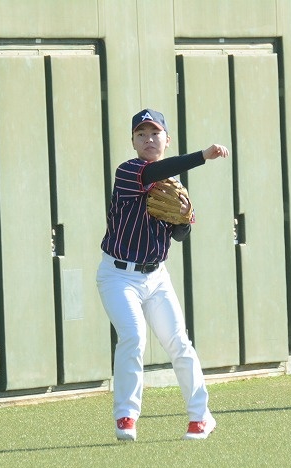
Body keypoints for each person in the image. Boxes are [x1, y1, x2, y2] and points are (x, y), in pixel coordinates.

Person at [96, 108, 229, 440]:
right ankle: (126, 416)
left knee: (179, 343)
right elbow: (157, 171)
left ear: (166, 140)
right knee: (133, 335)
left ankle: (201, 417)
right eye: (141, 134)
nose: (148, 139)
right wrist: (202, 156)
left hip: (156, 277)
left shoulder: (174, 185)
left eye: (154, 133)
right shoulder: (128, 171)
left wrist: (184, 218)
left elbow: (179, 235)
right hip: (118, 276)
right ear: (133, 142)